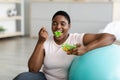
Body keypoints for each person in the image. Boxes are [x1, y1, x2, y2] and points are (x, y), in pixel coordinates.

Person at [13, 10, 116, 80]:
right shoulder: (45, 41)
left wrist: (86, 49)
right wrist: (40, 42)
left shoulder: (77, 38)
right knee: (22, 77)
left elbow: (110, 37)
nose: (58, 27)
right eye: (54, 23)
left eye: (63, 24)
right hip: (46, 78)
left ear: (69, 26)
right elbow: (33, 70)